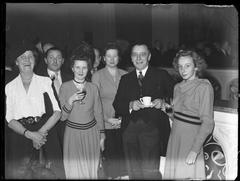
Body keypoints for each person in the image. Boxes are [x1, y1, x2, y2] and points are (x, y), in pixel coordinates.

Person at [113, 41, 174, 179]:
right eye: (135, 55)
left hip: (153, 130)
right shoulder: (125, 79)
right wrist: (130, 105)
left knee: (150, 172)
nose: (139, 58)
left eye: (142, 54)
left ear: (149, 56)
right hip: (129, 131)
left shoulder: (161, 75)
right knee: (133, 172)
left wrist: (164, 103)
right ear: (131, 57)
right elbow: (117, 104)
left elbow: (177, 97)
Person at [5, 40, 63, 179]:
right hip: (20, 135)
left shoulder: (45, 81)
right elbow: (9, 119)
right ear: (16, 62)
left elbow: (57, 112)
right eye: (22, 57)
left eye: (30, 56)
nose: (26, 60)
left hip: (45, 135)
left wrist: (40, 134)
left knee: (49, 174)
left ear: (35, 61)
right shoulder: (10, 86)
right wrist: (30, 135)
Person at [163, 50, 214, 180]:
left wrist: (194, 150)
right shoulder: (177, 87)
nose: (183, 70)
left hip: (191, 143)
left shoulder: (204, 87)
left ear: (196, 66)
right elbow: (178, 119)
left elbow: (208, 123)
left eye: (187, 65)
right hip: (175, 140)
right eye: (180, 66)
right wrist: (168, 111)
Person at [58, 42, 105, 179]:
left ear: (89, 69)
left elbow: (98, 113)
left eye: (84, 67)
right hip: (73, 134)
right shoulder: (65, 87)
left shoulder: (93, 88)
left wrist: (102, 135)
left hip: (91, 134)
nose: (80, 71)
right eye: (77, 67)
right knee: (74, 172)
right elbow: (62, 117)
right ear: (72, 68)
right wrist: (70, 101)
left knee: (91, 171)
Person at [92, 42, 128, 179]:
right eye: (109, 56)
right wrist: (107, 119)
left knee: (124, 163)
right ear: (103, 58)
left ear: (119, 58)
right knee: (111, 165)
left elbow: (130, 99)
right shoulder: (98, 76)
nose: (112, 59)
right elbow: (95, 103)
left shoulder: (126, 75)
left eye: (115, 56)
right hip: (105, 124)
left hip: (123, 124)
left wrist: (123, 118)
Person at [36, 46, 72, 154]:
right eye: (51, 57)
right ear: (46, 60)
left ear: (63, 60)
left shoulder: (71, 78)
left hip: (69, 126)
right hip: (48, 127)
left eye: (58, 57)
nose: (55, 61)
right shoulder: (38, 80)